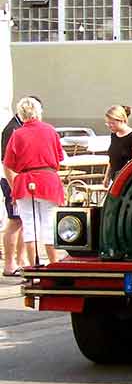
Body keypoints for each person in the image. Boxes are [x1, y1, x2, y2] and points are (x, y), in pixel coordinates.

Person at [2, 97, 64, 266]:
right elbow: (59, 158)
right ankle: (54, 264)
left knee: (30, 227)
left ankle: (32, 268)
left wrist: (15, 185)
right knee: (48, 225)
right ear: (38, 112)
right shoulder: (50, 130)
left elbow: (8, 164)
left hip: (24, 181)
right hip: (48, 180)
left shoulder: (18, 134)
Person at [1, 98, 33, 275]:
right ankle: (9, 264)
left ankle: (21, 261)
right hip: (11, 179)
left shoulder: (21, 127)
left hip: (21, 179)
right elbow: (7, 163)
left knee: (24, 222)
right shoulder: (13, 129)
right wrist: (15, 188)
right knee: (15, 221)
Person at [102, 105, 132, 185]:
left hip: (129, 180)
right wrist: (106, 177)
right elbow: (112, 159)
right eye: (108, 123)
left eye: (112, 123)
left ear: (121, 120)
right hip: (116, 178)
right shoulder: (114, 135)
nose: (109, 126)